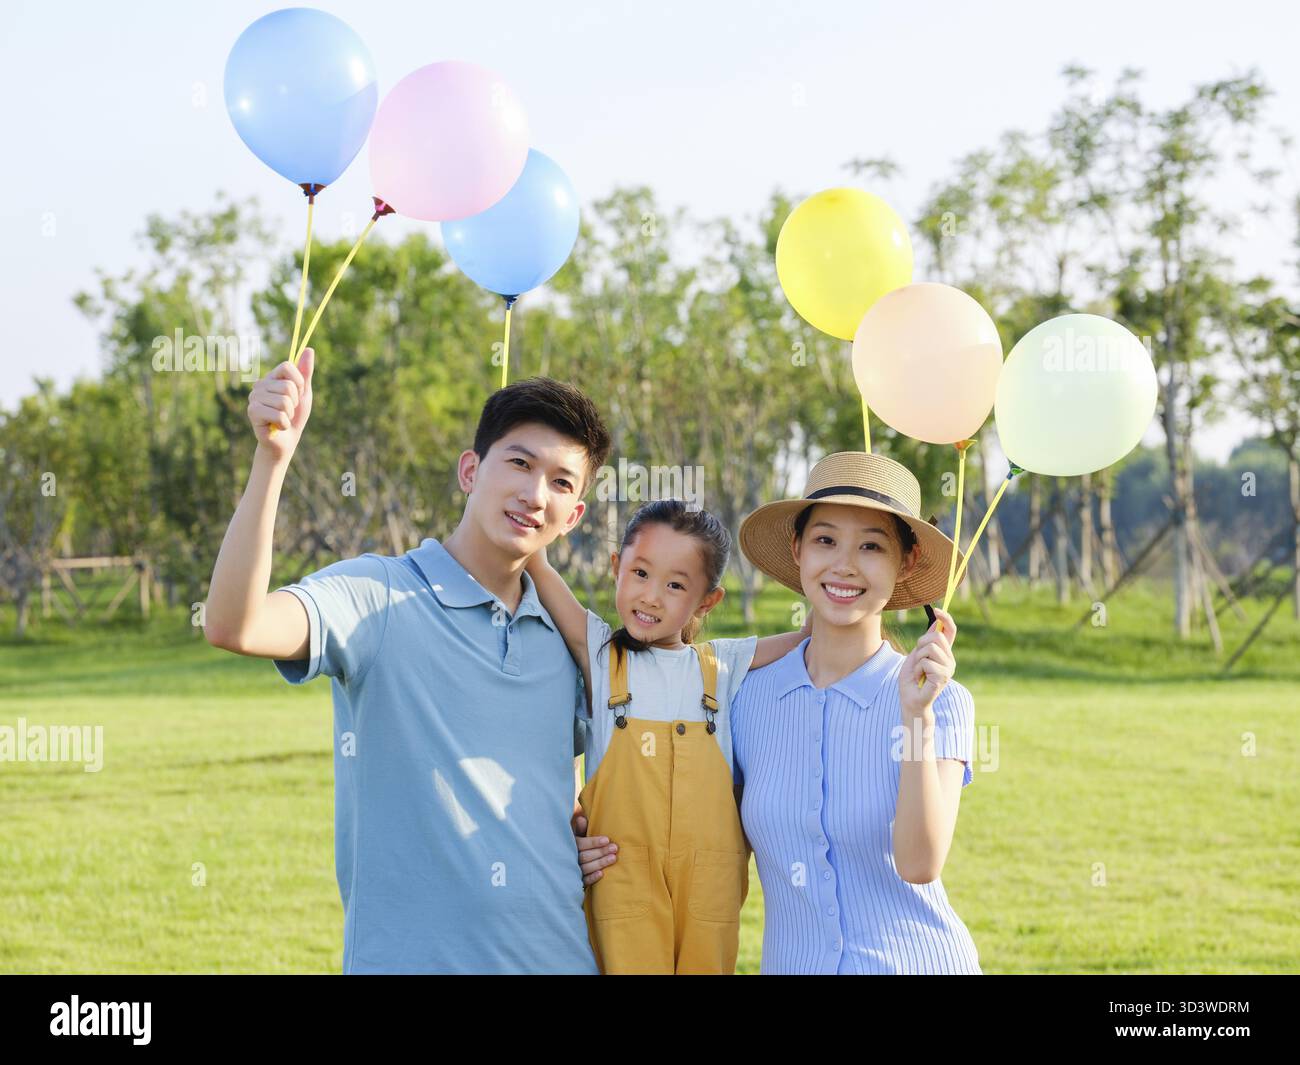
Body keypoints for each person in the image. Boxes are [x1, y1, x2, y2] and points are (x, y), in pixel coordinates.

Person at [203, 348, 614, 974]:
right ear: (471, 470)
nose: (535, 493)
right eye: (519, 463)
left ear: (574, 516)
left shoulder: (569, 640)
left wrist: (582, 842)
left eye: (561, 482)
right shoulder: (378, 596)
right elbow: (237, 624)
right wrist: (272, 459)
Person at [525, 500, 808, 973]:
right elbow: (540, 569)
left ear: (706, 601)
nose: (651, 596)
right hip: (622, 879)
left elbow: (811, 637)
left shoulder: (722, 665)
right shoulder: (601, 655)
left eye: (675, 585)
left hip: (710, 888)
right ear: (616, 569)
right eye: (639, 573)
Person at [730, 450, 982, 974]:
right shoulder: (745, 700)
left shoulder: (942, 701)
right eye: (825, 540)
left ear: (906, 562)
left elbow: (919, 864)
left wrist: (916, 716)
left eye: (871, 546)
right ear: (797, 549)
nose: (844, 565)